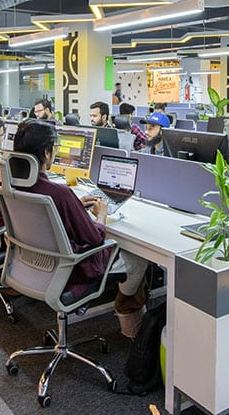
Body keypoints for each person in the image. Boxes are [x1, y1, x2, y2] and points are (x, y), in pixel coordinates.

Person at [11, 120, 148, 336]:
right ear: (47, 152)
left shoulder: (12, 184)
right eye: (55, 148)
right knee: (139, 255)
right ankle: (133, 329)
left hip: (32, 263)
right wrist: (101, 214)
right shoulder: (59, 193)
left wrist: (75, 206)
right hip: (73, 269)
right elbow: (94, 238)